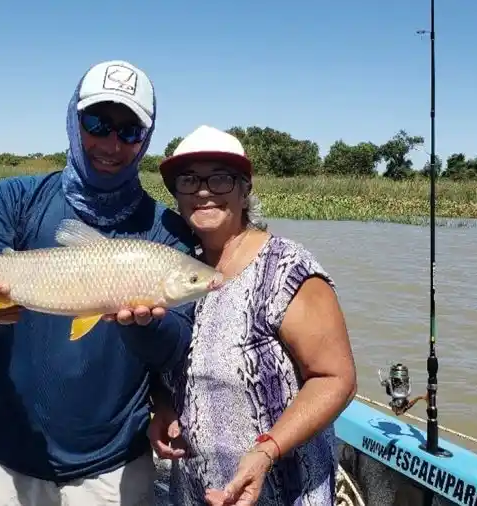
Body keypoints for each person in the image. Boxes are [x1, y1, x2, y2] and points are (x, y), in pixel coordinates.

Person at [0, 60, 198, 505]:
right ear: (72, 119)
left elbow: (175, 347)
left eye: (129, 131)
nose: (111, 143)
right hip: (9, 455)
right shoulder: (15, 200)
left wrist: (145, 326)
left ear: (147, 139)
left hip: (113, 462)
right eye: (97, 122)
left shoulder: (166, 231)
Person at [150, 125, 358, 506]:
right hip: (198, 493)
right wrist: (163, 405)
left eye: (220, 179)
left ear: (245, 190)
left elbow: (336, 379)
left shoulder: (287, 269)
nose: (203, 191)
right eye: (189, 180)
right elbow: (167, 361)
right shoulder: (176, 273)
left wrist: (266, 451)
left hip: (286, 491)